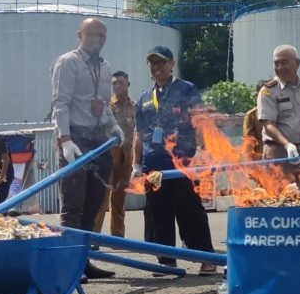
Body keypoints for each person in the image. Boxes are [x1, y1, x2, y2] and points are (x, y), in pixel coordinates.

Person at [50, 17, 124, 280]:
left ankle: (83, 261)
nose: (96, 40)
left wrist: (113, 125)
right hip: (76, 141)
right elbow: (60, 104)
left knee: (94, 204)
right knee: (73, 205)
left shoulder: (105, 68)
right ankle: (68, 265)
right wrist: (65, 140)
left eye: (101, 36)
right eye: (91, 34)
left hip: (98, 141)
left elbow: (104, 103)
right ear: (79, 35)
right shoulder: (68, 62)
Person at [132, 46, 217, 276]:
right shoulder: (144, 98)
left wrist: (201, 150)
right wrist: (136, 164)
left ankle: (205, 256)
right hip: (154, 164)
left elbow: (199, 119)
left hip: (183, 161)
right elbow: (138, 134)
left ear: (172, 64)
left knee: (190, 209)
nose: (157, 67)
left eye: (161, 63)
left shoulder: (186, 89)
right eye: (152, 63)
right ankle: (166, 260)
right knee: (158, 212)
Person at [257, 45, 300, 191]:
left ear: (297, 63)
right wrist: (287, 145)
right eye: (276, 63)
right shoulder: (268, 91)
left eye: (284, 62)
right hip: (279, 154)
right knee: (278, 199)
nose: (280, 67)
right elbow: (268, 125)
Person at [93, 71, 135, 237]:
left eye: (121, 83)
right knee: (102, 198)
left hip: (126, 158)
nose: (117, 86)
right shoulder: (107, 107)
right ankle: (94, 237)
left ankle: (118, 236)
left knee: (119, 199)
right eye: (114, 83)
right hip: (108, 157)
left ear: (128, 85)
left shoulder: (134, 107)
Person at [242, 80, 268, 158]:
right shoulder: (251, 115)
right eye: (263, 95)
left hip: (281, 158)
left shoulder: (282, 113)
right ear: (257, 96)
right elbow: (249, 144)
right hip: (261, 161)